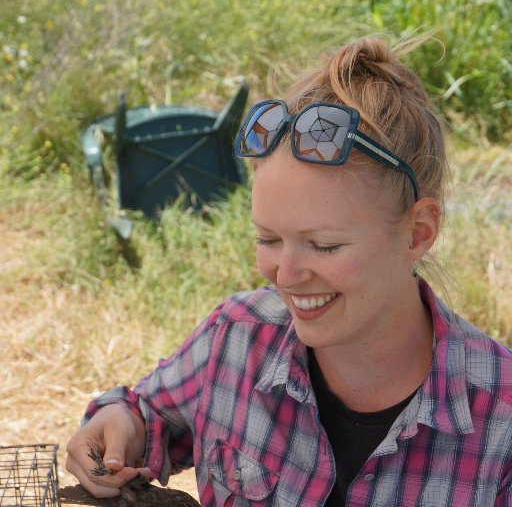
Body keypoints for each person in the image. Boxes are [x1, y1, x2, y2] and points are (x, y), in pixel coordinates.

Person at [66, 35, 512, 506]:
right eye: (268, 239)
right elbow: (144, 414)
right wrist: (117, 427)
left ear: (418, 232)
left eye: (324, 245)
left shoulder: (499, 424)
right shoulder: (236, 337)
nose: (287, 274)